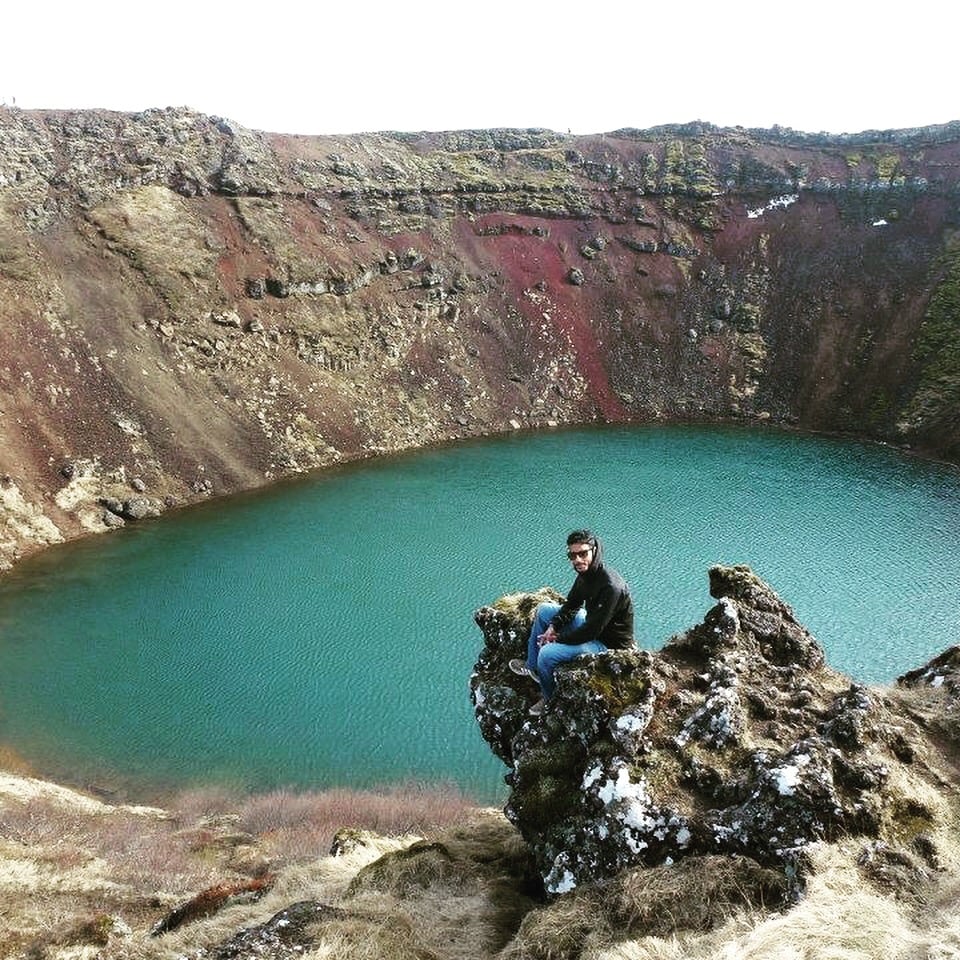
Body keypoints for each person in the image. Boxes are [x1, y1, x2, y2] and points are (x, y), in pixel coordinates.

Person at [510, 529, 635, 715]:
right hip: (593, 625)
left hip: (608, 644)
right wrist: (553, 626)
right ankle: (532, 666)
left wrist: (556, 639)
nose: (577, 559)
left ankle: (548, 698)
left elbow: (590, 632)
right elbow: (571, 605)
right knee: (544, 610)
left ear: (595, 550)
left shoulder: (610, 587)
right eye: (572, 555)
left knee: (547, 653)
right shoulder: (586, 575)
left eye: (583, 553)